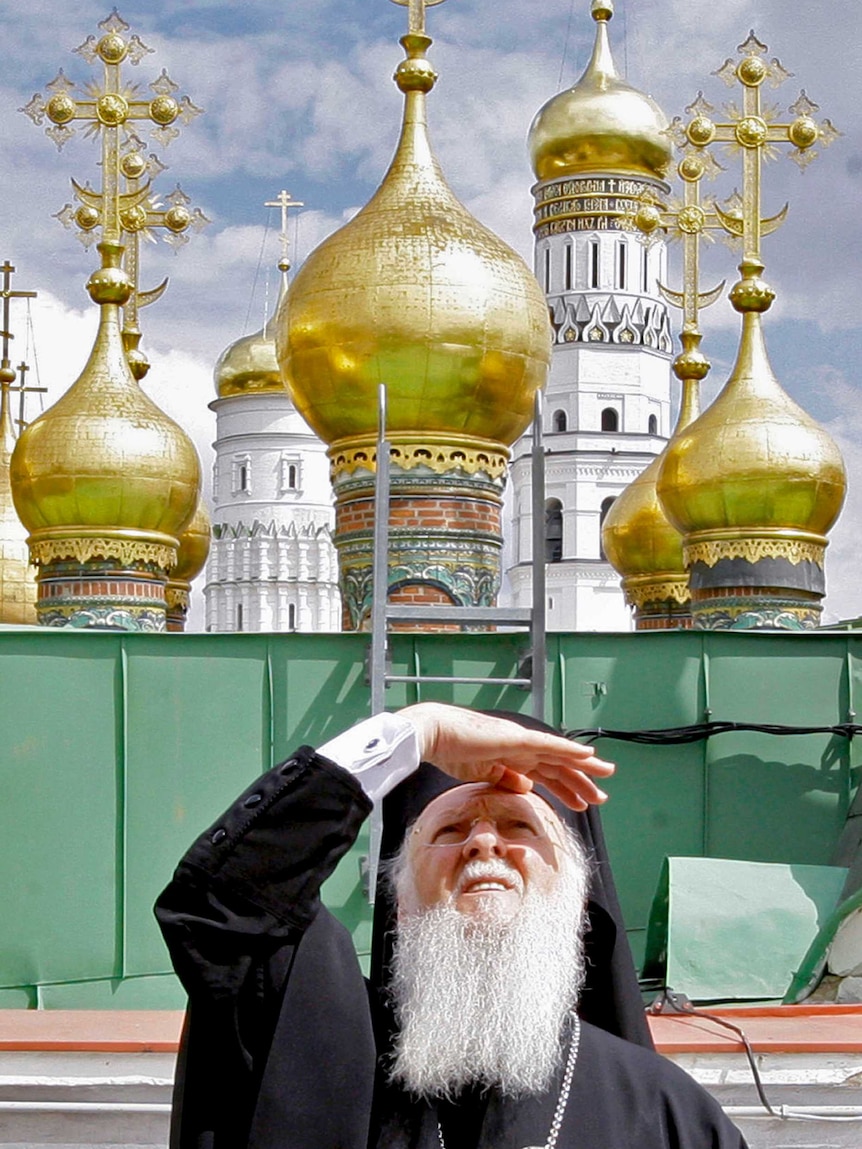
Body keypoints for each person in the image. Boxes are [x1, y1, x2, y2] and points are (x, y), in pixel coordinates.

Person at [156, 703, 747, 1148]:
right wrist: (414, 734)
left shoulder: (666, 1114)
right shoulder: (322, 1039)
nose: (483, 842)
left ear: (575, 895)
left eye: (518, 826)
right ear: (402, 897)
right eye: (449, 830)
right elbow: (221, 905)